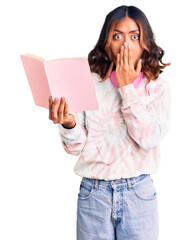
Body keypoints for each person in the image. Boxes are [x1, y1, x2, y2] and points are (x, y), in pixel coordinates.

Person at [48, 5, 171, 240]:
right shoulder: (89, 82)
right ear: (107, 42)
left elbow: (148, 139)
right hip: (94, 196)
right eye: (117, 36)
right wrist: (69, 124)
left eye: (134, 36)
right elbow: (76, 147)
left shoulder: (158, 88)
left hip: (139, 196)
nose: (126, 44)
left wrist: (126, 87)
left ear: (146, 42)